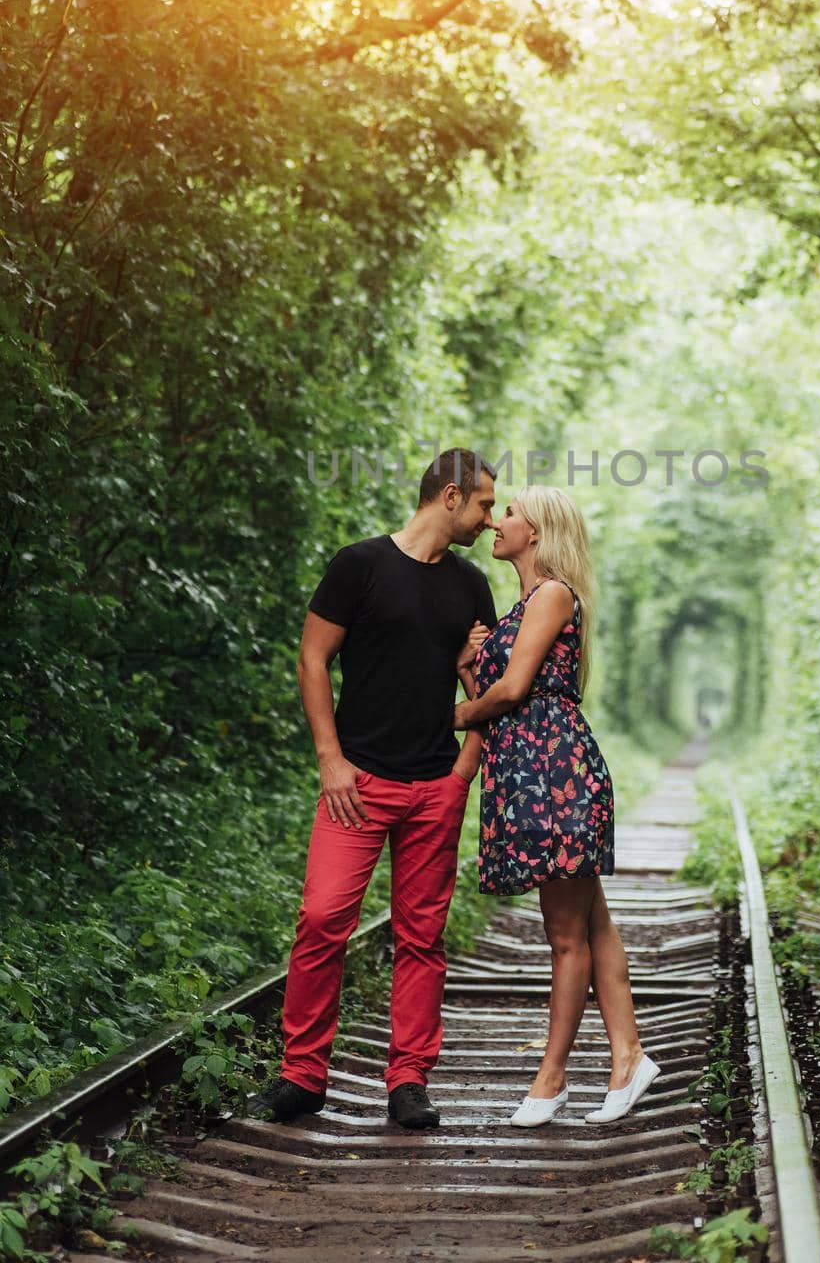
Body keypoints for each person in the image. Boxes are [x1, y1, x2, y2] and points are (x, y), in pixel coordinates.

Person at [249, 447, 498, 1131]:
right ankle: (303, 1075)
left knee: (422, 936)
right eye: (483, 504)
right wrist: (330, 760)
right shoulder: (358, 565)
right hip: (356, 783)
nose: (489, 517)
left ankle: (408, 1080)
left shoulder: (472, 585)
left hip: (434, 786)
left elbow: (484, 687)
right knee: (323, 919)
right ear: (449, 498)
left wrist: (464, 770)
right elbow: (312, 656)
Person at [452, 485, 659, 1127]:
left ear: (537, 531)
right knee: (592, 925)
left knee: (565, 936)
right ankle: (629, 1056)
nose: (496, 522)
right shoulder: (521, 606)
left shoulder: (553, 594)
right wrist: (467, 664)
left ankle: (552, 1078)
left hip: (556, 775)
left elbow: (512, 691)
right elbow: (497, 686)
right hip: (531, 772)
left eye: (508, 513)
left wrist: (448, 718)